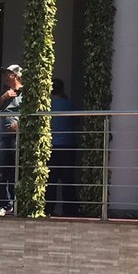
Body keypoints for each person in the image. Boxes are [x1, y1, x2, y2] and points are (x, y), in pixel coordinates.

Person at [0, 63, 23, 216]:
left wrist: (19, 125)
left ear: (16, 76)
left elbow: (32, 112)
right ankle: (7, 205)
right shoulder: (4, 92)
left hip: (18, 138)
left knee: (17, 173)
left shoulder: (25, 92)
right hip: (4, 137)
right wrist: (3, 97)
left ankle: (18, 205)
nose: (5, 76)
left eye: (8, 73)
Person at [46, 77, 79, 217]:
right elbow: (76, 121)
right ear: (62, 89)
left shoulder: (48, 106)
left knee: (51, 180)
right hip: (67, 146)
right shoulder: (68, 105)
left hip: (51, 146)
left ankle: (48, 209)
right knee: (68, 179)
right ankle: (70, 210)